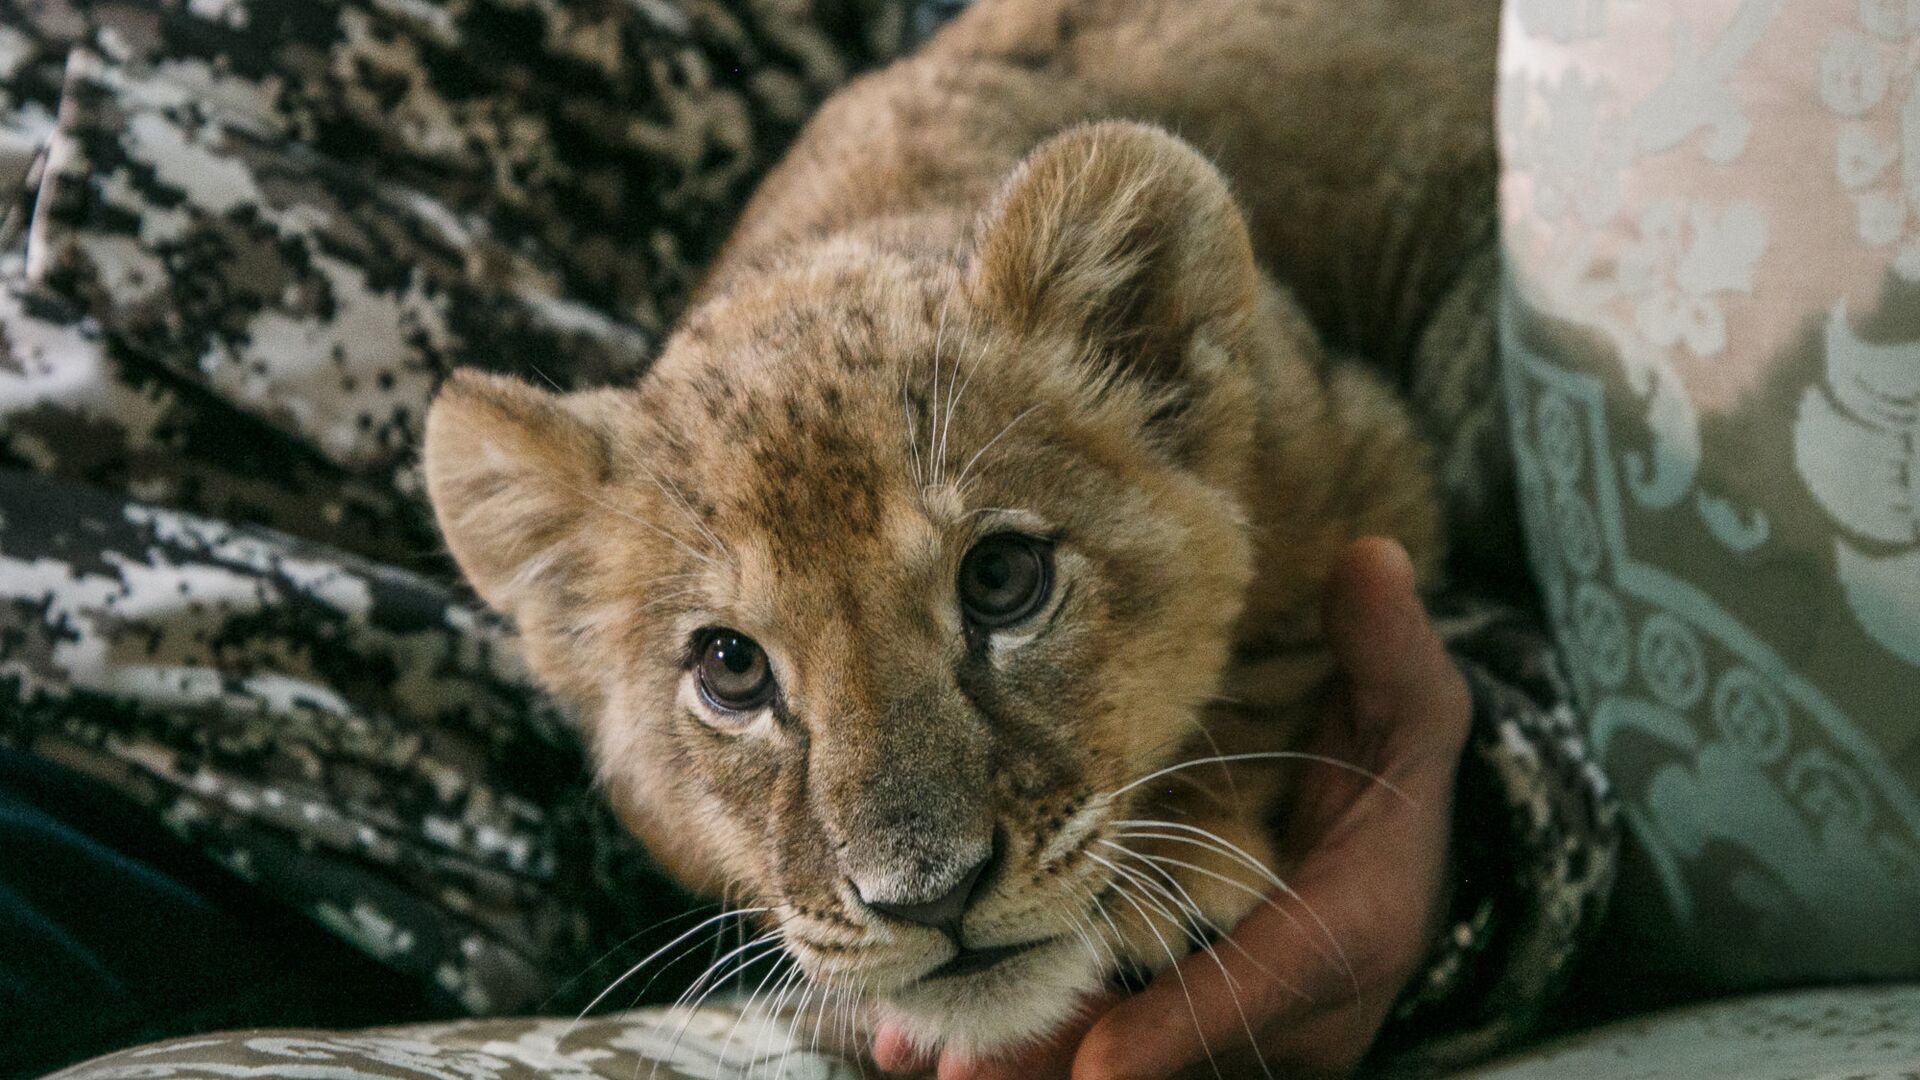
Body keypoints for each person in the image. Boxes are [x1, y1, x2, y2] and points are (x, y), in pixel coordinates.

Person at [0, 1, 1614, 1077]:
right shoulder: (624, 538)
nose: (908, 867)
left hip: (210, 839)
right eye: (731, 664)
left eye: (998, 582)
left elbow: (1472, 593)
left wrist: (1458, 843)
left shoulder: (1154, 388)